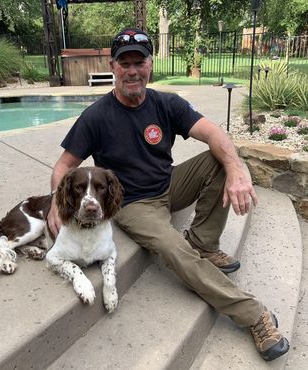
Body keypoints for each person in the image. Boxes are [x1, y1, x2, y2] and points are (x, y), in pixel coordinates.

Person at [47, 27, 289, 361]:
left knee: (220, 160)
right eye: (124, 62)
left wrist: (235, 168)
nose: (133, 70)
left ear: (150, 64)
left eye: (139, 61)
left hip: (169, 185)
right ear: (113, 66)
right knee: (175, 248)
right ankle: (253, 314)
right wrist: (55, 205)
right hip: (134, 204)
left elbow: (212, 133)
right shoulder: (96, 117)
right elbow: (63, 166)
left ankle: (204, 241)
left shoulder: (166, 103)